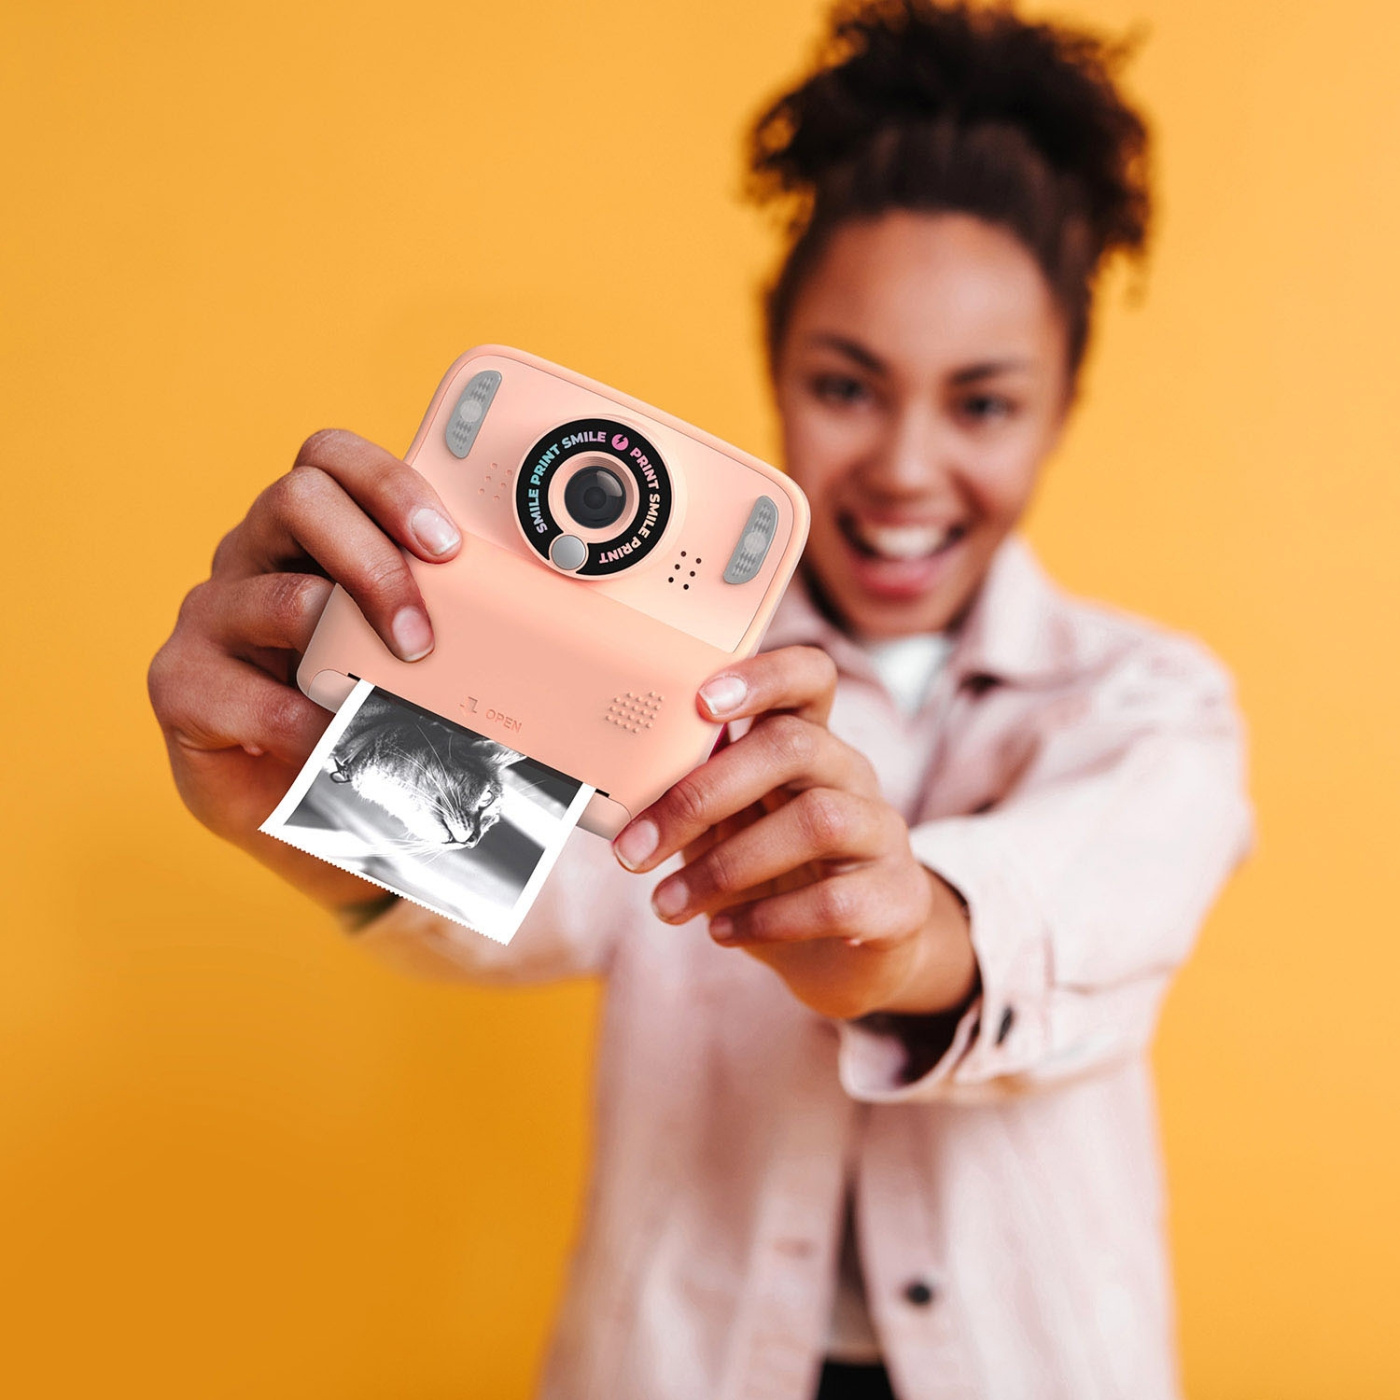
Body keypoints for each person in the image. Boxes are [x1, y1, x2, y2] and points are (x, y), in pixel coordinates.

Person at [147, 1, 1252, 1396]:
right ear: (777, 364)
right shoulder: (655, 689)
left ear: (1063, 405)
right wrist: (292, 788)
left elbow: (1084, 921)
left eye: (982, 404)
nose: (907, 467)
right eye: (848, 385)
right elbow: (523, 894)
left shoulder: (1154, 704)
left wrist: (901, 941)